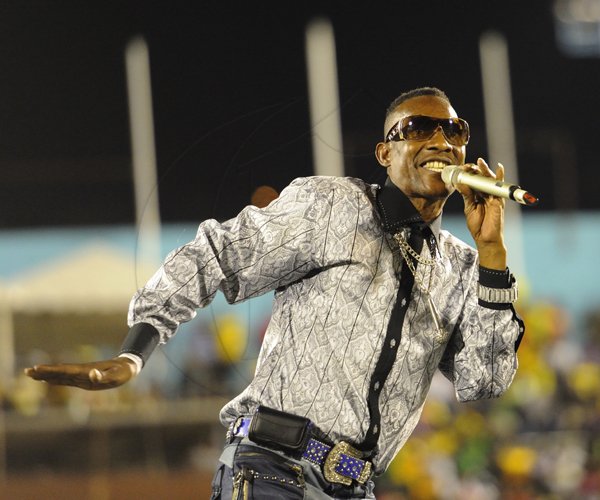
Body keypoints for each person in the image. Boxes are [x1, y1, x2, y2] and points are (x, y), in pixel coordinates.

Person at [26, 87, 525, 499]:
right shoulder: (331, 207)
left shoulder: (464, 267)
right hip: (273, 471)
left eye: (454, 131)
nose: (440, 139)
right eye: (418, 128)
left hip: (355, 488)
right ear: (384, 152)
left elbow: (484, 381)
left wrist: (493, 257)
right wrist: (135, 351)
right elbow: (216, 254)